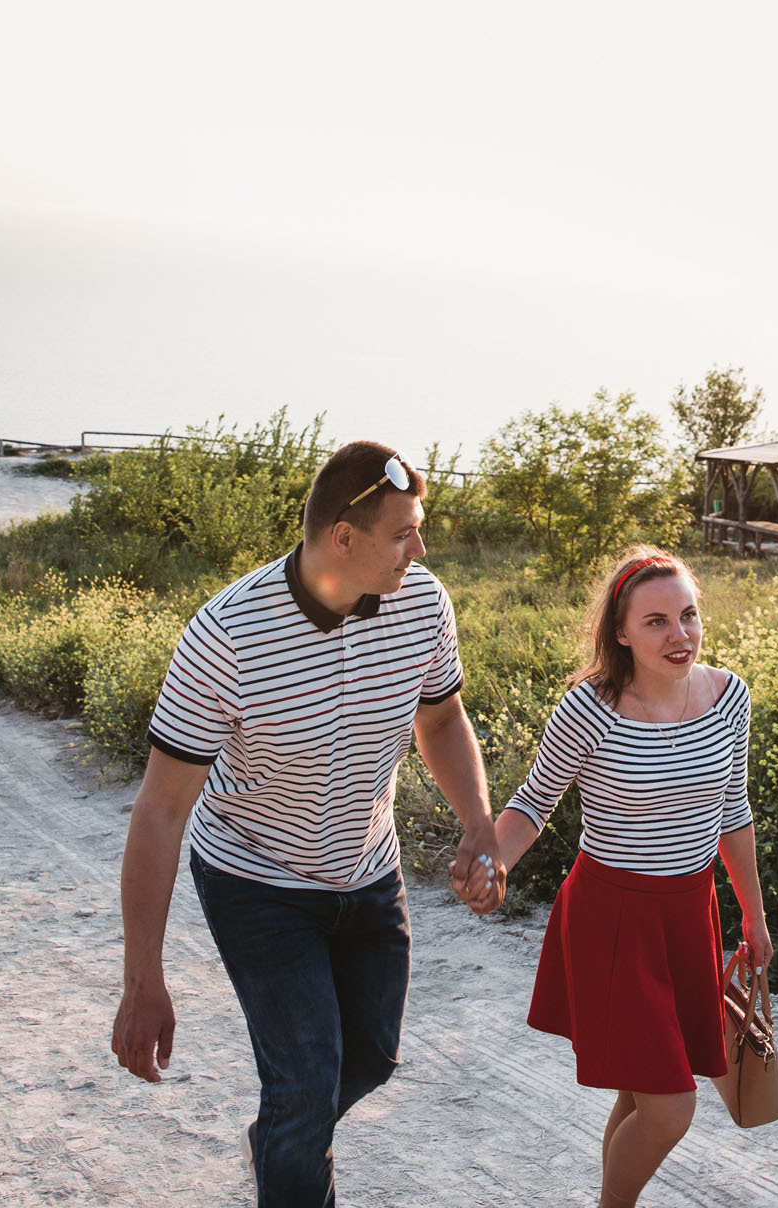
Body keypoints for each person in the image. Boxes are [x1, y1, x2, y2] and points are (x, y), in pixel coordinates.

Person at [110, 440, 504, 1208]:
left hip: (369, 869)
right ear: (343, 537)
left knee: (371, 1060)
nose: (420, 550)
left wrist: (479, 821)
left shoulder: (423, 604)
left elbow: (441, 717)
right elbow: (160, 811)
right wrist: (142, 979)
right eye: (403, 534)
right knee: (305, 1082)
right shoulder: (227, 636)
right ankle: (290, 1139)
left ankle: (281, 1139)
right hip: (255, 879)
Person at [489, 547, 770, 1208]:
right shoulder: (589, 708)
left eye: (688, 615)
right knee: (670, 1109)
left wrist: (754, 918)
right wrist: (489, 863)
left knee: (642, 1092)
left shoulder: (729, 696)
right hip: (612, 919)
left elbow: (733, 812)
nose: (680, 635)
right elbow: (534, 802)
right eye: (656, 622)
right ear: (621, 632)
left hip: (688, 915)